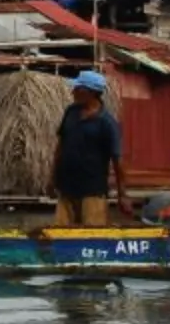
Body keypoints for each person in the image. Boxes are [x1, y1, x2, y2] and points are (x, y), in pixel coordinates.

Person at [51, 70, 130, 225]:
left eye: (78, 89)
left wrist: (123, 195)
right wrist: (52, 177)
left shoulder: (107, 123)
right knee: (60, 237)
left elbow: (117, 160)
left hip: (92, 192)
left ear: (92, 93)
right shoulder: (71, 112)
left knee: (92, 239)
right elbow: (60, 146)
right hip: (66, 188)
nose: (73, 92)